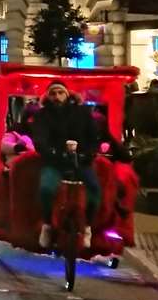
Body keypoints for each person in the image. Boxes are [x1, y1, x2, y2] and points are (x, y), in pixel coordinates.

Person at [25, 80, 103, 248]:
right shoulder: (42, 115)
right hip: (55, 162)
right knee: (46, 189)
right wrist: (52, 153)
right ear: (48, 96)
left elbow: (93, 136)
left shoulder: (82, 112)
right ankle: (47, 225)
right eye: (53, 94)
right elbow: (40, 139)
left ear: (67, 94)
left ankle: (87, 226)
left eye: (60, 93)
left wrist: (87, 153)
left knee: (94, 189)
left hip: (81, 161)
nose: (57, 97)